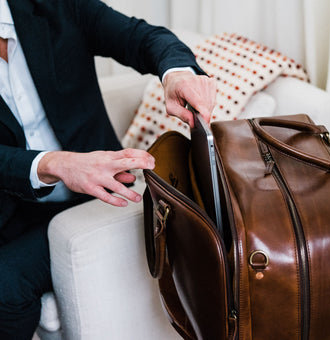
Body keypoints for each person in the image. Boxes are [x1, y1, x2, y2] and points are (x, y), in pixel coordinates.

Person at [0, 0, 216, 338]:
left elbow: (140, 37)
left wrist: (176, 73)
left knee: (6, 286)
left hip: (95, 200)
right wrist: (55, 163)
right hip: (10, 201)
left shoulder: (57, 6)